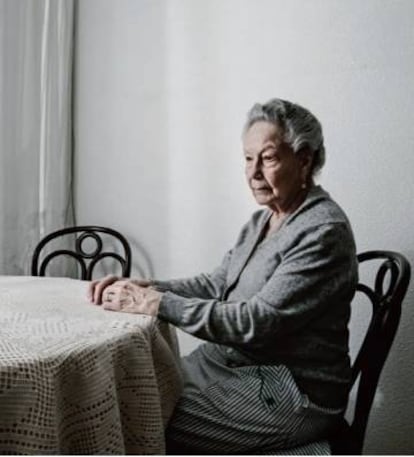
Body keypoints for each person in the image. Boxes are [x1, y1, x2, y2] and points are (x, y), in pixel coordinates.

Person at [88, 98, 358, 455]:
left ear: (304, 159)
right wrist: (149, 287)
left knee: (138, 418)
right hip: (233, 365)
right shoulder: (262, 221)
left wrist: (158, 304)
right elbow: (217, 284)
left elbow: (257, 321)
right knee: (123, 392)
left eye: (268, 157)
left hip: (291, 391)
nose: (253, 172)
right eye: (248, 158)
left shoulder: (322, 231)